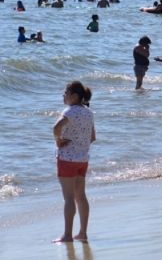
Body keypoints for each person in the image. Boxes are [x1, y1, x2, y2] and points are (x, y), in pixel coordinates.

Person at [53, 81, 95, 243]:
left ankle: (67, 235)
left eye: (66, 92)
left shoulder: (70, 111)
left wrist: (58, 140)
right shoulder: (88, 112)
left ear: (75, 96)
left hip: (66, 159)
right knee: (81, 196)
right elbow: (92, 137)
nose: (63, 95)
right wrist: (80, 145)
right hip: (82, 160)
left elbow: (56, 127)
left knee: (69, 198)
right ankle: (83, 233)